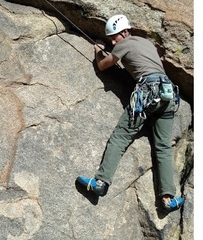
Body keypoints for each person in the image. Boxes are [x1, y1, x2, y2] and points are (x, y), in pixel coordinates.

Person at [77, 14, 184, 211]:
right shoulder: (146, 43)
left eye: (114, 36)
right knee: (163, 147)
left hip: (148, 93)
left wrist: (98, 51)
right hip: (168, 93)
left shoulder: (123, 44)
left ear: (125, 32)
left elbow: (103, 66)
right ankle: (168, 199)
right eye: (111, 38)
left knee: (120, 136)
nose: (112, 40)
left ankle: (100, 183)